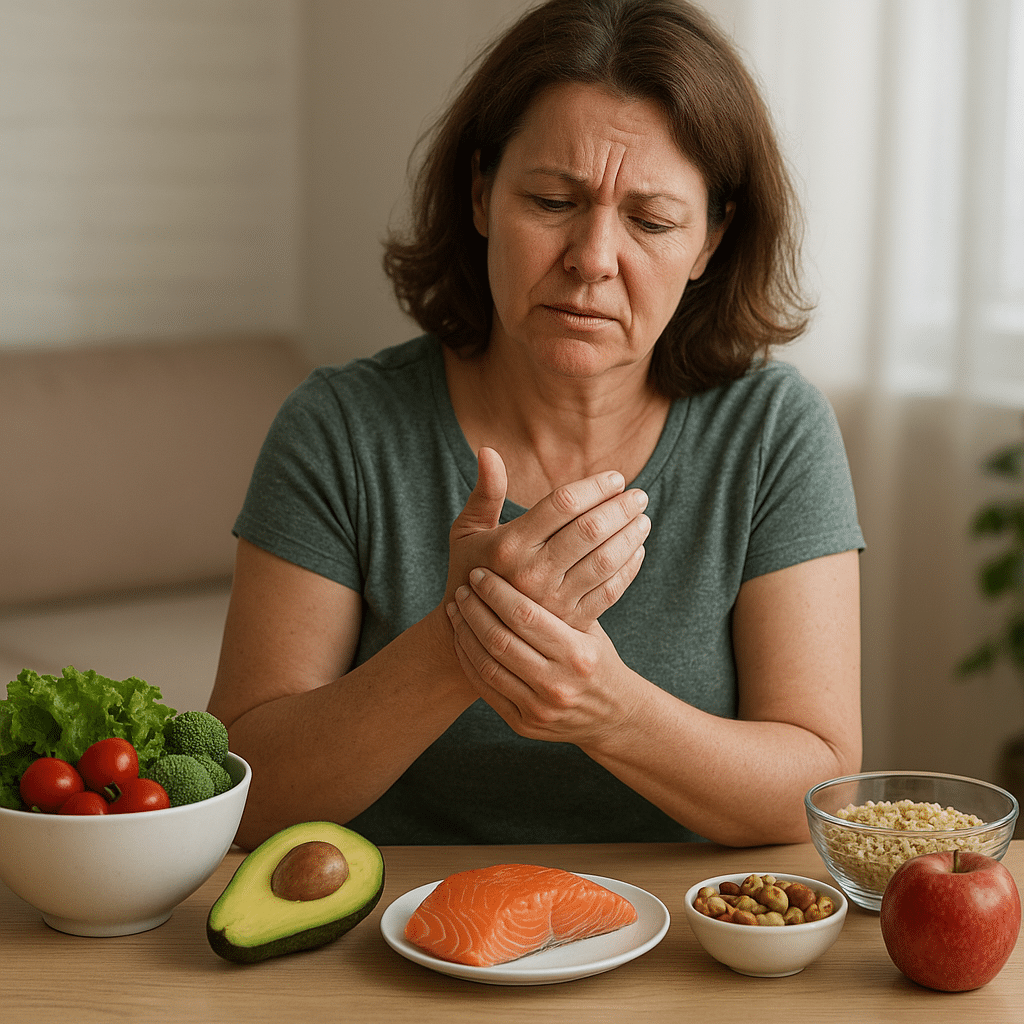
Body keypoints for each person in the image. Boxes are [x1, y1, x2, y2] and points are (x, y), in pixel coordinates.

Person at [208, 0, 864, 851]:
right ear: (481, 193)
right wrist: (462, 642)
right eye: (554, 199)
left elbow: (821, 789)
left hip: (687, 953)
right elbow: (244, 792)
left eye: (652, 221)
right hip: (383, 942)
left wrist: (612, 710)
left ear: (710, 241)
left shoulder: (774, 432)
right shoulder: (342, 427)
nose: (593, 258)